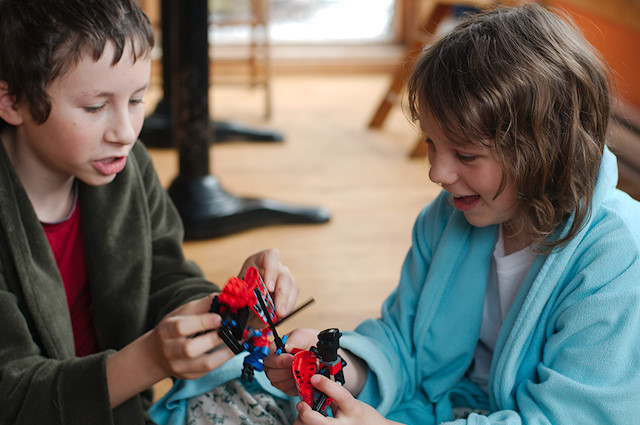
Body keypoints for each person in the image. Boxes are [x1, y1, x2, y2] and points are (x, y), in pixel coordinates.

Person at [263, 3, 640, 424]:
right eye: (430, 142)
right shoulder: (445, 220)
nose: (436, 173)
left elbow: (574, 417)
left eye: (465, 154)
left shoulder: (616, 255)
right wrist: (344, 368)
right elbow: (403, 341)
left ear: (545, 152)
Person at [0, 0, 299, 424]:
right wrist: (150, 360)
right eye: (94, 107)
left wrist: (228, 308)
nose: (124, 132)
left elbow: (163, 274)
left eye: (138, 99)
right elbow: (12, 399)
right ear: (11, 99)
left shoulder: (125, 167)